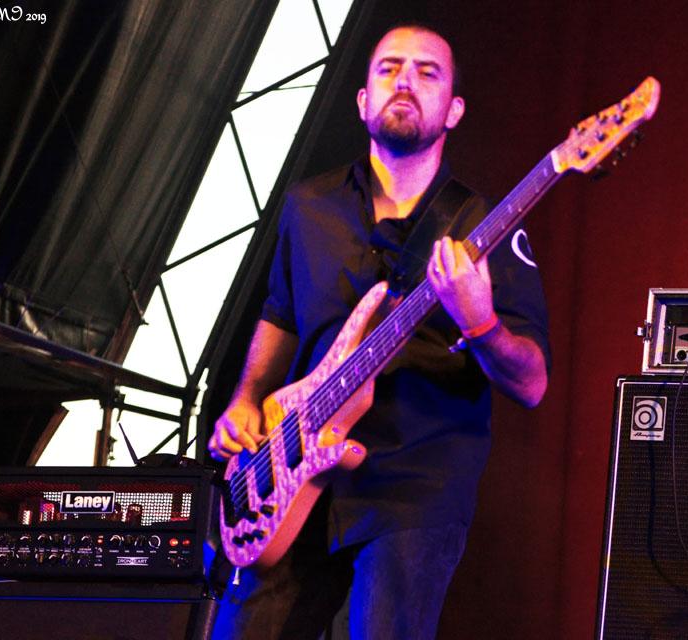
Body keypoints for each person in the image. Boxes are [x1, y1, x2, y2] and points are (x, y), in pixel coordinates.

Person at [208, 24, 550, 640]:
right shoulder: (308, 206)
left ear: (455, 110)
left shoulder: (485, 228)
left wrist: (481, 322)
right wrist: (246, 400)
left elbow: (531, 383)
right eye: (390, 68)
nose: (405, 82)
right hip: (292, 471)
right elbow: (280, 314)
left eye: (427, 72)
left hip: (414, 488)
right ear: (363, 100)